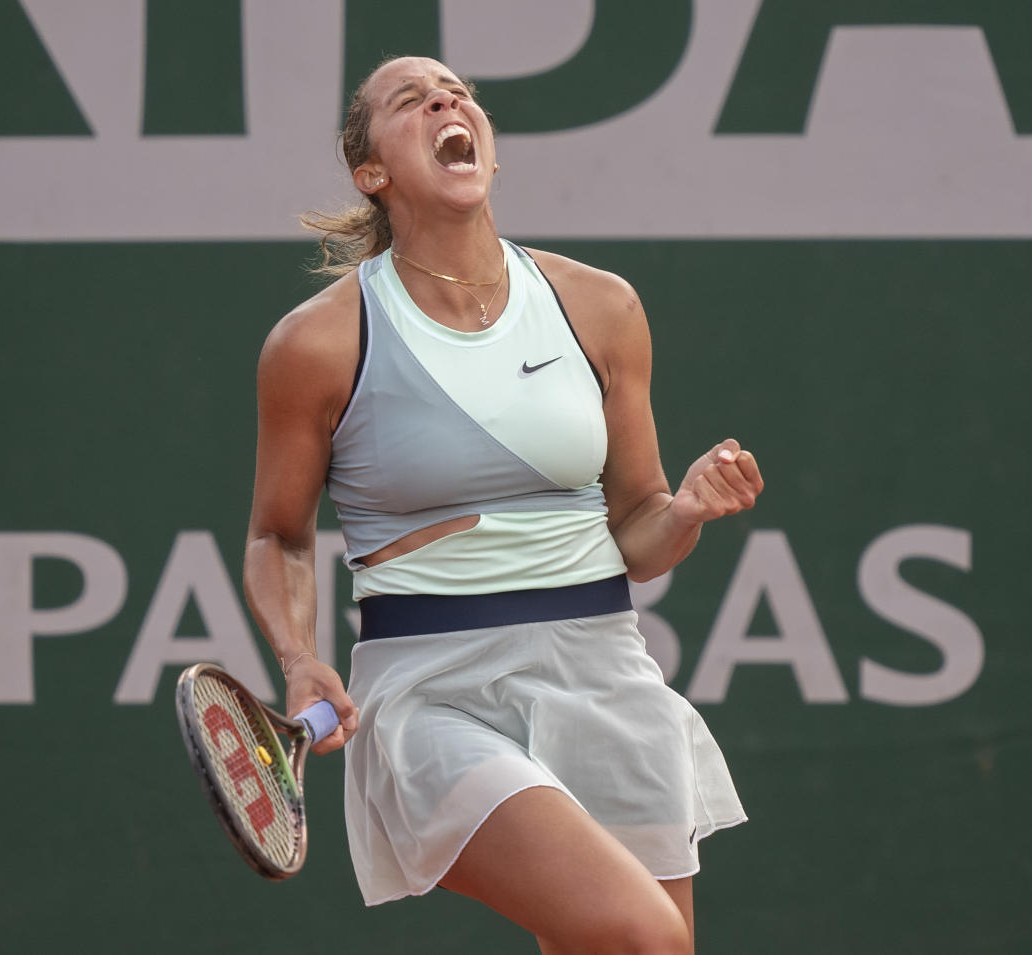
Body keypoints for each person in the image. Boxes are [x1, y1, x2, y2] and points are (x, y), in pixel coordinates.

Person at [243, 55, 764, 954]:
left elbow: (634, 527)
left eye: (460, 94)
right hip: (433, 693)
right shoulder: (318, 343)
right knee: (646, 937)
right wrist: (296, 657)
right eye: (413, 100)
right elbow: (278, 533)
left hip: (607, 677)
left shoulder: (601, 307)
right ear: (372, 173)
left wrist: (683, 510)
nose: (449, 101)